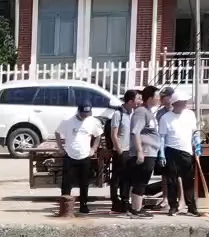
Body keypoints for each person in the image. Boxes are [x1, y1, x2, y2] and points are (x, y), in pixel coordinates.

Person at [157, 87, 202, 217]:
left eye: (185, 102)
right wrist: (162, 154)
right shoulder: (166, 117)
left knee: (188, 180)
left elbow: (194, 131)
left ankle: (191, 207)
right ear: (175, 103)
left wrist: (197, 143)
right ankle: (173, 206)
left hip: (186, 150)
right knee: (172, 180)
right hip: (171, 150)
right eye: (182, 102)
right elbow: (162, 137)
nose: (185, 104)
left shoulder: (190, 114)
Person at [55, 99, 103, 217]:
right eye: (83, 114)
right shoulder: (68, 121)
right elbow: (57, 132)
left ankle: (83, 205)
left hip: (84, 156)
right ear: (78, 111)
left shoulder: (92, 121)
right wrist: (60, 147)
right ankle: (65, 207)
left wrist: (93, 149)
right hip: (70, 155)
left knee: (84, 183)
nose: (85, 116)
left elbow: (98, 135)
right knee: (67, 183)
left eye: (87, 114)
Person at [108, 90, 150, 218]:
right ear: (130, 101)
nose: (140, 102)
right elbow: (114, 135)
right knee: (119, 178)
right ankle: (119, 202)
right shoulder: (118, 114)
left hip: (132, 151)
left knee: (129, 179)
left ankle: (127, 202)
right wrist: (120, 151)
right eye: (138, 99)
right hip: (122, 151)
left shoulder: (134, 114)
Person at [130, 85, 162, 215]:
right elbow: (135, 132)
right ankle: (136, 209)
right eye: (156, 96)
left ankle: (137, 207)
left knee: (143, 179)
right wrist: (139, 151)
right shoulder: (141, 112)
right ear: (149, 98)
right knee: (141, 180)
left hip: (151, 151)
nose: (159, 98)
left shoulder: (149, 112)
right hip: (145, 151)